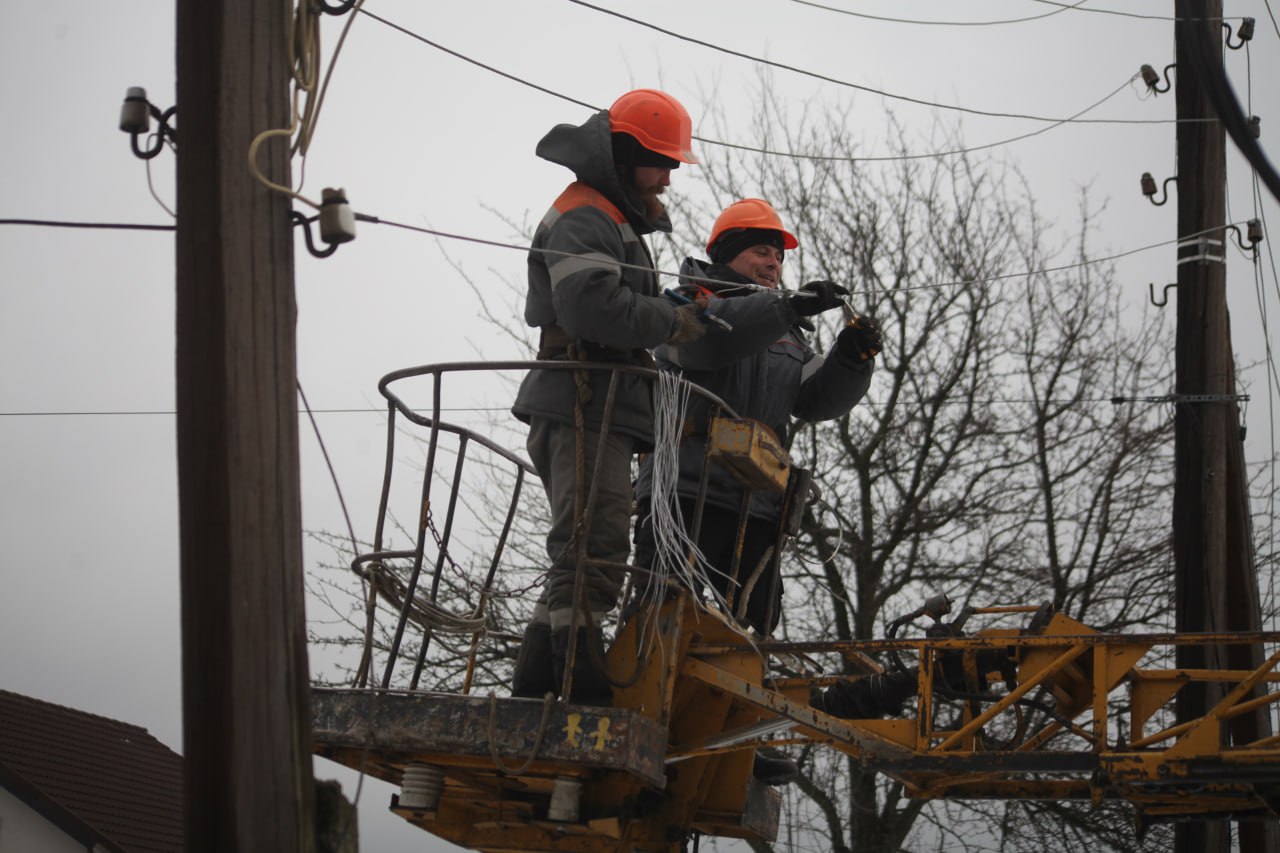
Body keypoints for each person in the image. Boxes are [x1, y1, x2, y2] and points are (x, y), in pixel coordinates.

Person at [633, 199, 882, 781]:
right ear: (726, 255)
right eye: (761, 251)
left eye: (778, 255)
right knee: (666, 613)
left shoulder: (789, 333)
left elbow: (815, 398)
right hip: (685, 493)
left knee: (748, 632)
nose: (773, 262)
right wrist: (784, 307)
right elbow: (713, 344)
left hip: (757, 504)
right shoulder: (685, 305)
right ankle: (648, 713)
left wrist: (852, 358)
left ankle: (736, 742)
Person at [510, 89, 705, 706]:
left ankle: (541, 673)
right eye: (662, 162)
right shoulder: (587, 216)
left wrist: (671, 310)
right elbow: (594, 308)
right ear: (626, 154)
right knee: (593, 541)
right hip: (582, 399)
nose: (670, 178)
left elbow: (614, 303)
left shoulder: (610, 218)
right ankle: (577, 671)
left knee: (585, 541)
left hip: (594, 401)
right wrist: (670, 323)